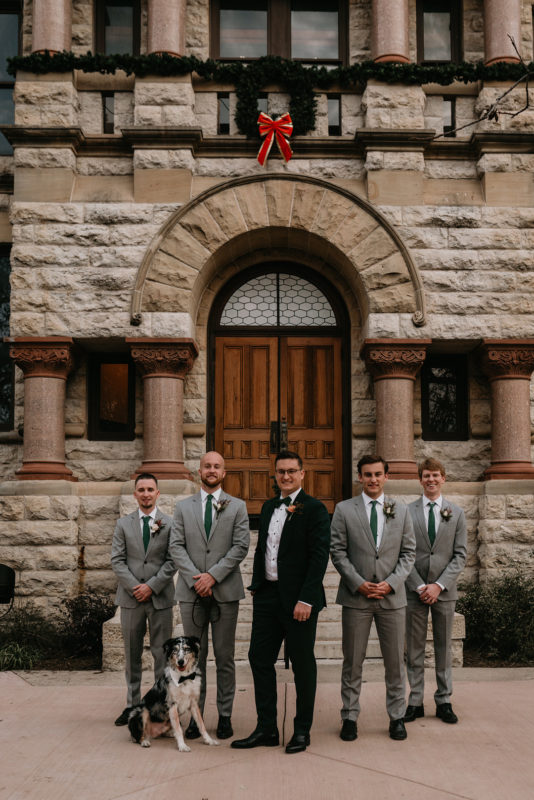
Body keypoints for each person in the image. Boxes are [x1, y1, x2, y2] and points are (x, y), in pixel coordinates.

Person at [231, 450, 330, 754]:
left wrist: (307, 598)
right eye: (280, 472)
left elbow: (318, 557)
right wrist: (258, 585)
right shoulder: (270, 505)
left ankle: (301, 730)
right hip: (268, 597)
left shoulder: (314, 509)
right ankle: (266, 728)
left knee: (302, 664)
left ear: (303, 473)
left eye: (291, 471)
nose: (285, 476)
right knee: (259, 659)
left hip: (300, 600)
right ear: (275, 475)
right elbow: (266, 549)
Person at [330, 454, 416, 742]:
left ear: (386, 476)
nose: (373, 479)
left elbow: (408, 554)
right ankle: (350, 716)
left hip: (392, 600)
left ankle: (397, 717)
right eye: (367, 474)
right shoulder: (344, 510)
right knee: (353, 661)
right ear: (360, 477)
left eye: (378, 474)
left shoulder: (401, 511)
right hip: (357, 599)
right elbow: (338, 552)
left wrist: (391, 584)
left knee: (395, 662)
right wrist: (358, 583)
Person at [169, 451, 249, 740]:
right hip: (191, 593)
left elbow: (240, 546)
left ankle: (225, 714)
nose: (212, 470)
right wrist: (197, 580)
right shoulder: (182, 508)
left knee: (225, 656)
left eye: (217, 466)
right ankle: (194, 717)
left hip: (225, 591)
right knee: (192, 659)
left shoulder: (237, 507)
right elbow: (176, 546)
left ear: (224, 472)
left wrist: (213, 576)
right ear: (198, 471)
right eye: (207, 466)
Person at [405, 457, 467, 725]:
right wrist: (420, 585)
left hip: (444, 591)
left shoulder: (457, 513)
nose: (431, 480)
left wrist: (438, 585)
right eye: (426, 475)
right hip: (414, 591)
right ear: (420, 479)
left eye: (435, 475)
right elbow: (402, 553)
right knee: (414, 648)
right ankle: (415, 701)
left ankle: (444, 700)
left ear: (443, 478)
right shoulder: (406, 512)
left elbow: (460, 555)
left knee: (443, 647)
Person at [111, 472, 176, 726]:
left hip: (160, 597)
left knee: (162, 655)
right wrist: (135, 587)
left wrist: (151, 586)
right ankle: (132, 706)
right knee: (132, 654)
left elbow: (172, 561)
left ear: (157, 493)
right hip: (130, 598)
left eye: (151, 489)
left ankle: (160, 706)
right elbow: (117, 560)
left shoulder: (169, 523)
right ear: (135, 494)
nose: (146, 494)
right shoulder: (123, 524)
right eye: (142, 490)